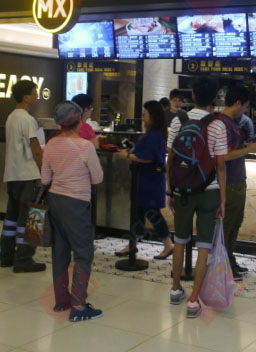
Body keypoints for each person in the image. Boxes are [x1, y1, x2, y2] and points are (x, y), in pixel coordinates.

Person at [166, 77, 227, 318]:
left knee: (180, 240)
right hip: (209, 191)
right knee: (204, 246)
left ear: (192, 95)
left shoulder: (178, 120)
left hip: (182, 191)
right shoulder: (218, 125)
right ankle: (193, 301)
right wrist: (223, 199)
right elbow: (220, 165)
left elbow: (170, 158)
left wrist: (170, 190)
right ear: (215, 98)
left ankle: (175, 289)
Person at [42, 101, 104, 321]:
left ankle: (62, 301)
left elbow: (45, 179)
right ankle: (78, 306)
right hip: (76, 203)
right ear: (78, 120)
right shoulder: (85, 147)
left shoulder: (50, 144)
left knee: (60, 251)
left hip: (55, 201)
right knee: (83, 252)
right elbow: (97, 178)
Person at [115, 101, 173, 260]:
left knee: (152, 213)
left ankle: (168, 245)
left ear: (152, 116)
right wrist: (134, 148)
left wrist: (128, 155)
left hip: (150, 180)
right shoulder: (154, 133)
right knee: (139, 212)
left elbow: (148, 157)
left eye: (145, 114)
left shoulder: (154, 134)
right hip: (147, 179)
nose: (142, 117)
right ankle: (132, 244)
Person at [0, 79, 46, 273]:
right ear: (26, 97)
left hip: (12, 175)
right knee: (32, 217)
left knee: (11, 218)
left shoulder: (11, 117)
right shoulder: (27, 120)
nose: (37, 97)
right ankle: (24, 259)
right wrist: (44, 170)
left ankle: (6, 256)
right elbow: (35, 148)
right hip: (28, 175)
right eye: (35, 93)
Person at [218, 87, 256, 279]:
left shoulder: (228, 122)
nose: (245, 111)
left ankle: (229, 260)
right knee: (228, 225)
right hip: (229, 182)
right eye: (244, 106)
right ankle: (225, 266)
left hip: (236, 180)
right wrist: (250, 149)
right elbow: (224, 156)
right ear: (237, 103)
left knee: (234, 223)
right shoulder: (222, 123)